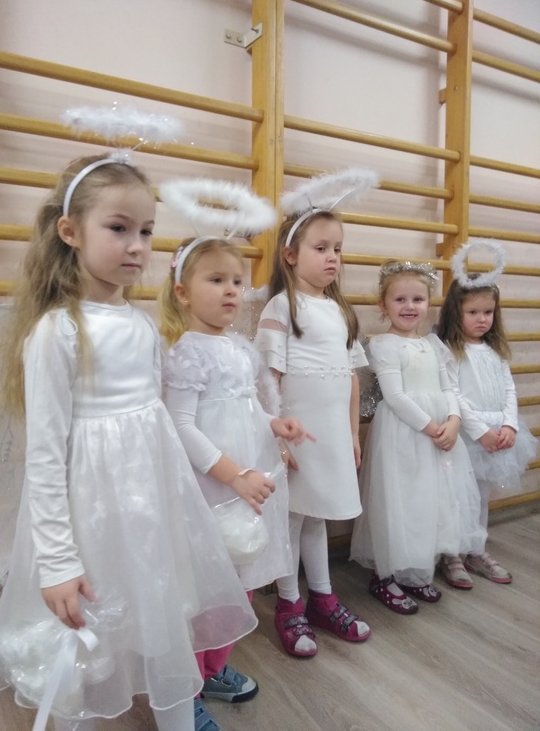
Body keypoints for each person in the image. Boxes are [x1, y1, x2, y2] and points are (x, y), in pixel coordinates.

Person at [0, 154, 257, 731]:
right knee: (87, 643)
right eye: (119, 228)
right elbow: (46, 456)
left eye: (146, 231)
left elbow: (153, 432)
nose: (136, 246)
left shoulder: (142, 324)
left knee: (166, 624)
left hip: (150, 516)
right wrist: (58, 562)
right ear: (70, 231)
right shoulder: (57, 331)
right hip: (91, 521)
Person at [160, 234, 310, 730]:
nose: (231, 290)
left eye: (237, 282)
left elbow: (244, 408)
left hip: (248, 484)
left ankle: (213, 669)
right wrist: (235, 475)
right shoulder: (185, 353)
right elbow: (181, 427)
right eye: (216, 280)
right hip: (213, 488)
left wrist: (275, 424)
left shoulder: (239, 349)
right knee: (206, 591)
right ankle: (188, 689)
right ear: (183, 292)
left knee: (241, 583)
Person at [255, 207, 371, 657]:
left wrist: (353, 435)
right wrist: (277, 439)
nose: (332, 257)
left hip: (332, 436)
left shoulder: (340, 310)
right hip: (296, 435)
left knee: (317, 515)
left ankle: (322, 598)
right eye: (321, 248)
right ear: (290, 255)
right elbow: (268, 380)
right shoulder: (282, 306)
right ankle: (289, 604)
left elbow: (351, 380)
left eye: (337, 249)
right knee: (292, 517)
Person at [350, 260, 487, 612]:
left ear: (428, 303)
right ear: (383, 305)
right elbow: (395, 396)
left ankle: (414, 572)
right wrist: (430, 426)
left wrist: (454, 421)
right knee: (400, 501)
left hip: (439, 435)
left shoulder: (433, 344)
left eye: (418, 299)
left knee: (428, 502)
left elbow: (449, 387)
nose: (409, 306)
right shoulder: (384, 345)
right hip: (405, 434)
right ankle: (385, 576)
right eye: (400, 300)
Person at [437, 245, 537, 585]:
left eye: (488, 312)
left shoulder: (495, 349)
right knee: (457, 496)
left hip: (496, 432)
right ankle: (452, 554)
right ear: (456, 312)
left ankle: (476, 550)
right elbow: (453, 394)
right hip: (467, 436)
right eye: (473, 312)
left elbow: (508, 388)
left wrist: (509, 423)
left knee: (480, 496)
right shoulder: (451, 350)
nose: (482, 319)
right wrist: (480, 431)